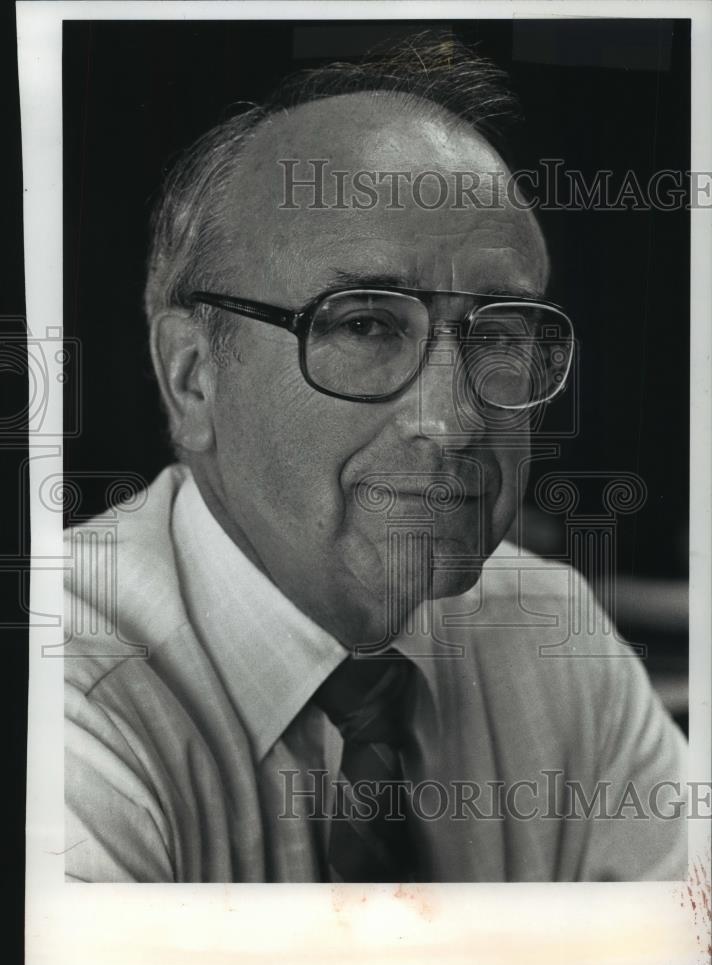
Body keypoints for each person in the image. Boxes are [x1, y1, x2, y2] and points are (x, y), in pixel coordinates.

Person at [64, 33, 687, 882]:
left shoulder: (552, 639)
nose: (456, 420)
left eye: (501, 334)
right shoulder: (62, 706)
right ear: (193, 377)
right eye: (364, 324)